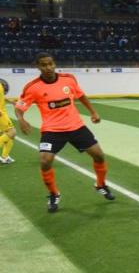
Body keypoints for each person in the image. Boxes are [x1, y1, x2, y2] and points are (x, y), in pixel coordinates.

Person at [15, 53, 115, 213]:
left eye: (50, 64)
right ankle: (54, 194)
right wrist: (21, 119)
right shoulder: (32, 87)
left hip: (76, 126)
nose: (48, 67)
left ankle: (100, 184)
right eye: (43, 65)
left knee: (99, 155)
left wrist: (93, 112)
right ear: (38, 67)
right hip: (52, 130)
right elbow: (19, 107)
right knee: (45, 161)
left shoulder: (69, 79)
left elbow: (81, 96)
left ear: (54, 64)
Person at [0, 79, 16, 164]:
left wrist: (10, 101)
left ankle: (4, 157)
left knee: (10, 135)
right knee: (12, 132)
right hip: (1, 114)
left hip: (3, 113)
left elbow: (2, 97)